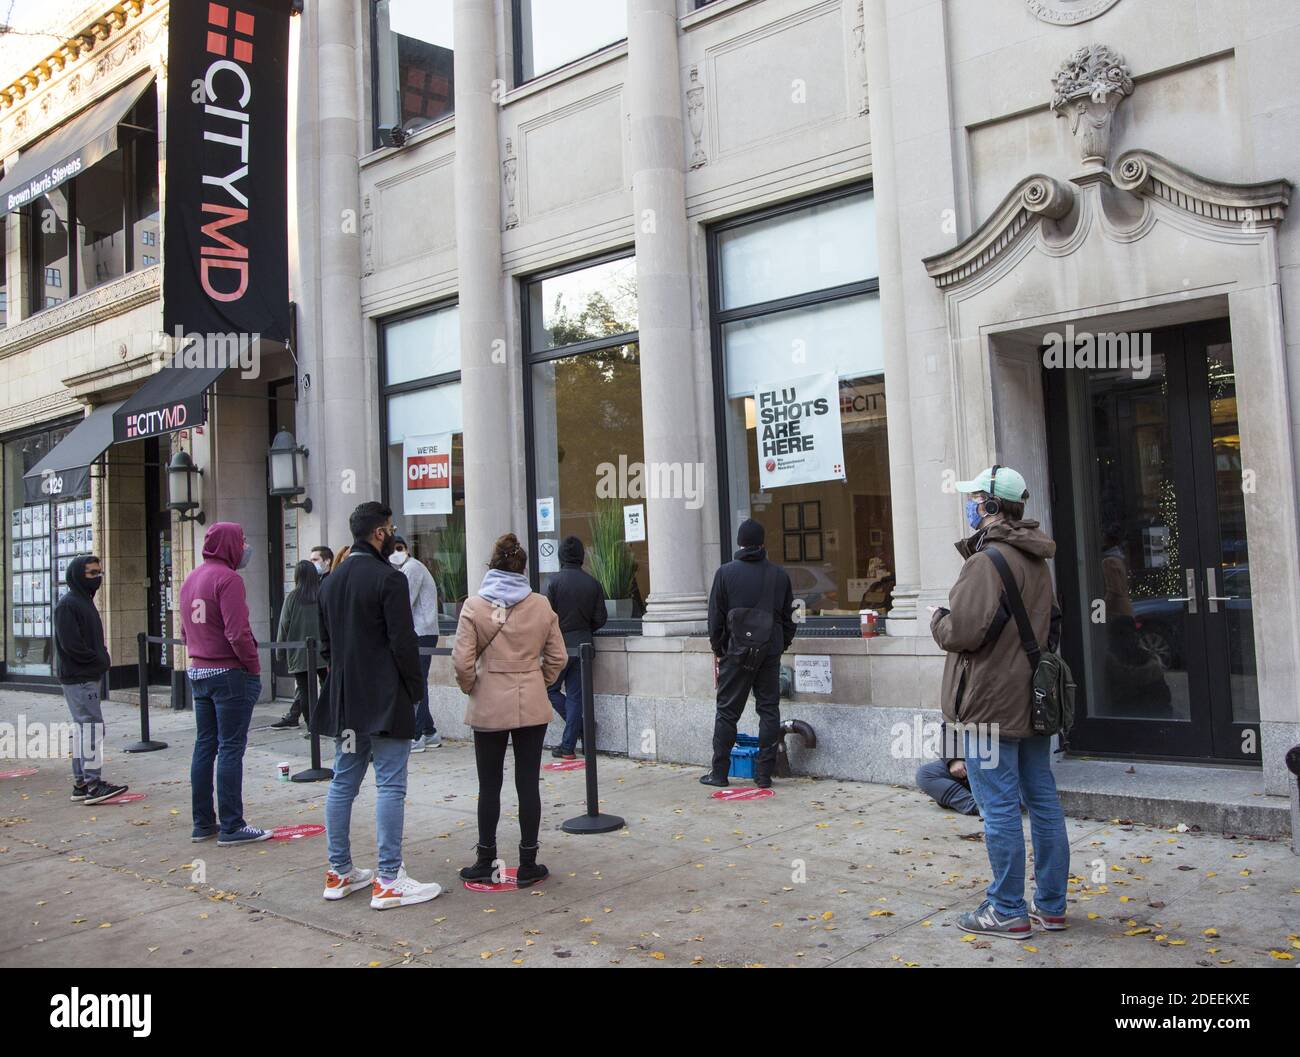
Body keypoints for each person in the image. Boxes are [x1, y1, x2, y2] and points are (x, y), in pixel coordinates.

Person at [930, 465, 1069, 940]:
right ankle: (1050, 906)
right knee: (1043, 800)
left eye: (974, 499)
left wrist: (937, 620)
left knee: (1000, 807)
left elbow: (963, 631)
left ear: (990, 507)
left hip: (990, 704)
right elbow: (1050, 624)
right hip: (1031, 699)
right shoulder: (1036, 558)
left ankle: (1007, 907)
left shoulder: (987, 561)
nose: (970, 506)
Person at [316, 501, 440, 910]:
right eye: (389, 527)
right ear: (380, 533)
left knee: (343, 781)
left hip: (348, 702)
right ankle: (388, 877)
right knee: (390, 784)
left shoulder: (330, 583)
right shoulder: (389, 579)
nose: (392, 533)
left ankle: (339, 870)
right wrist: (414, 689)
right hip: (385, 701)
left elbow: (327, 647)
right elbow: (403, 644)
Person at [452, 533, 567, 886]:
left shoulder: (474, 606)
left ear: (492, 565)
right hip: (530, 698)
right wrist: (539, 680)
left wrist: (473, 686)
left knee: (490, 785)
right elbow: (559, 657)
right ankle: (528, 861)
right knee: (528, 782)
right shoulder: (541, 606)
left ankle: (486, 858)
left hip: (489, 701)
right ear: (523, 568)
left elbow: (462, 662)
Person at [180, 522, 268, 846]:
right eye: (242, 541)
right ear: (230, 544)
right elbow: (237, 632)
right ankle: (232, 824)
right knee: (231, 747)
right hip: (229, 673)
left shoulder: (191, 578)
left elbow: (184, 631)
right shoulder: (229, 579)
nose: (245, 547)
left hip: (199, 670)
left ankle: (203, 822)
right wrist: (253, 667)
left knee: (205, 746)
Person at [703, 518, 796, 789]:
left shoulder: (725, 573)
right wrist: (780, 643)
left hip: (735, 652)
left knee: (727, 712)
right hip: (769, 652)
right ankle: (764, 775)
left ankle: (719, 773)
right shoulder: (779, 575)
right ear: (763, 543)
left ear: (740, 543)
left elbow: (714, 619)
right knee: (769, 709)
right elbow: (792, 617)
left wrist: (720, 649)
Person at [53, 555, 126, 805]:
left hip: (85, 675)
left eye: (99, 573)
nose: (98, 578)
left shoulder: (83, 602)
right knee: (92, 728)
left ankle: (82, 782)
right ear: (77, 575)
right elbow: (71, 645)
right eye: (92, 573)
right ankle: (93, 784)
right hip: (79, 677)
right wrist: (99, 660)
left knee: (85, 728)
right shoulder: (68, 605)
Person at [544, 535, 606, 760]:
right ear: (582, 557)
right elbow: (601, 618)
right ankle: (573, 739)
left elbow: (545, 617)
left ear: (561, 557)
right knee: (575, 696)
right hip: (584, 645)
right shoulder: (592, 583)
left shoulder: (552, 582)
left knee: (551, 690)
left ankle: (578, 732)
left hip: (559, 646)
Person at [390, 534, 441, 751]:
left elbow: (403, 602)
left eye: (397, 549)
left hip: (421, 632)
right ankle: (429, 732)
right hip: (421, 631)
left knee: (417, 683)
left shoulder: (412, 569)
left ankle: (417, 733)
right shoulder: (408, 568)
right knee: (419, 681)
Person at [270, 560, 327, 729]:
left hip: (299, 653)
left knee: (305, 692)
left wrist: (280, 652)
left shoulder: (293, 597)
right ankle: (329, 721)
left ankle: (313, 727)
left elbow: (283, 626)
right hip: (323, 651)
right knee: (328, 687)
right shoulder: (322, 594)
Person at [914, 723, 978, 817]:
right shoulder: (956, 710)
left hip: (995, 763)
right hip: (969, 763)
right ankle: (978, 807)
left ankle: (995, 808)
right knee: (926, 774)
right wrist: (954, 759)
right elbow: (949, 728)